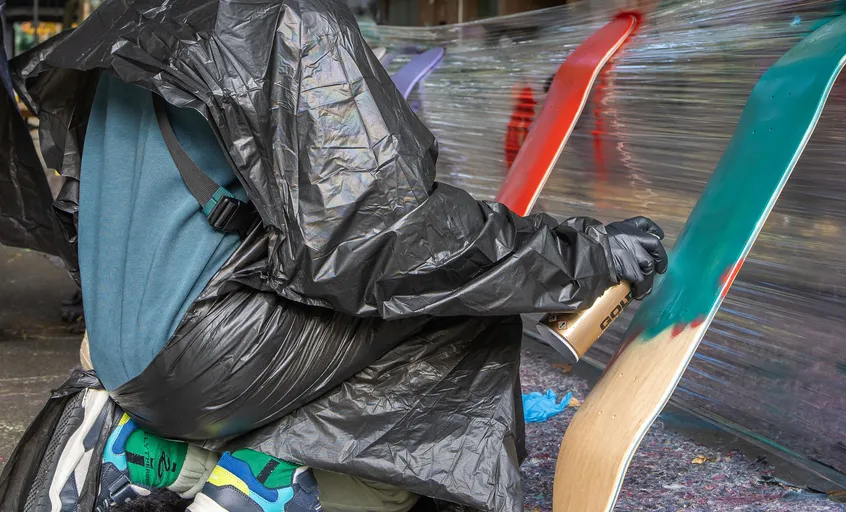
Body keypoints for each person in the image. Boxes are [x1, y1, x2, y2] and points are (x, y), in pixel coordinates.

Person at [7, 0, 669, 510]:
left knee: (404, 284)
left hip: (121, 352)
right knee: (458, 306)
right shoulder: (288, 19)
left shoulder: (141, 12)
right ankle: (290, 491)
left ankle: (158, 457)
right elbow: (391, 240)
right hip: (199, 359)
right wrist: (585, 254)